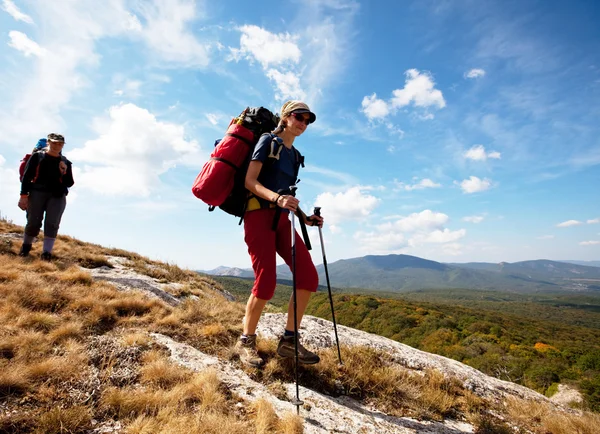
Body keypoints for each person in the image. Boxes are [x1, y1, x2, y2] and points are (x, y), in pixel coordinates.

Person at [235, 101, 324, 368]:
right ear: (285, 117)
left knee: (308, 276)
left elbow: (288, 196)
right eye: (299, 117)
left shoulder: (295, 156)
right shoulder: (267, 141)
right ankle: (246, 341)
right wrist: (277, 198)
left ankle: (289, 341)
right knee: (266, 282)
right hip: (258, 217)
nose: (303, 123)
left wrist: (305, 218)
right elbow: (250, 181)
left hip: (283, 220)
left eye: (308, 120)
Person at [18, 133, 74, 260]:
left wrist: (63, 171)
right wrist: (23, 196)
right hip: (37, 192)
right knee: (33, 221)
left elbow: (69, 183)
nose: (57, 146)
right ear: (48, 142)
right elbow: (27, 177)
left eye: (60, 144)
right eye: (54, 143)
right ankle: (26, 247)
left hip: (58, 196)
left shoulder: (65, 162)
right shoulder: (37, 157)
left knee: (52, 223)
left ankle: (46, 254)